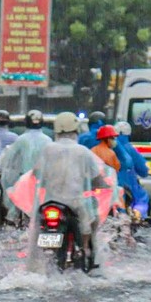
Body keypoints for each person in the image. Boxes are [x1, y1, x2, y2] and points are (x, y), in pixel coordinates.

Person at [30, 112, 112, 269]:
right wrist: (103, 185)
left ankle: (38, 257)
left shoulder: (47, 149)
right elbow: (96, 178)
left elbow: (36, 173)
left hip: (49, 202)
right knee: (89, 222)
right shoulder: (83, 151)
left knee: (36, 227)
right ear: (75, 130)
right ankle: (85, 249)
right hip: (74, 203)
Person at [0, 109, 51, 224]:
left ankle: (12, 217)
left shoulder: (21, 139)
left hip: (24, 180)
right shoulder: (48, 140)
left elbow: (8, 159)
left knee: (15, 200)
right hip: (42, 180)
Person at [114, 121, 151, 219]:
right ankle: (137, 215)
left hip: (109, 187)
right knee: (142, 198)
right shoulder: (130, 149)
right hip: (128, 186)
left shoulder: (106, 147)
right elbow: (144, 171)